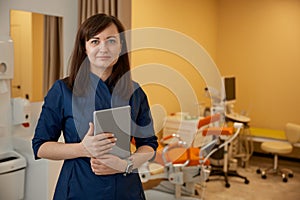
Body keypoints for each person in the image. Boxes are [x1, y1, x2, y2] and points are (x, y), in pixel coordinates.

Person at [32, 13, 158, 200]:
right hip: (79, 189)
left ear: (121, 46)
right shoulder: (63, 90)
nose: (104, 48)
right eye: (95, 41)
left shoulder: (135, 91)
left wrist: (125, 165)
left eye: (111, 41)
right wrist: (82, 149)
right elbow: (40, 146)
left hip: (126, 190)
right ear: (84, 48)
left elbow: (149, 145)